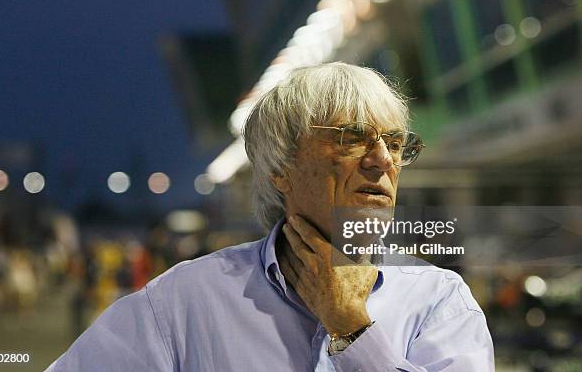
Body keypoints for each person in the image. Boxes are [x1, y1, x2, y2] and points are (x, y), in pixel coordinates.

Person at [46, 62, 494, 371]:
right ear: (280, 169)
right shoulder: (183, 303)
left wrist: (352, 328)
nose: (382, 161)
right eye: (350, 139)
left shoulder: (439, 301)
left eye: (395, 144)